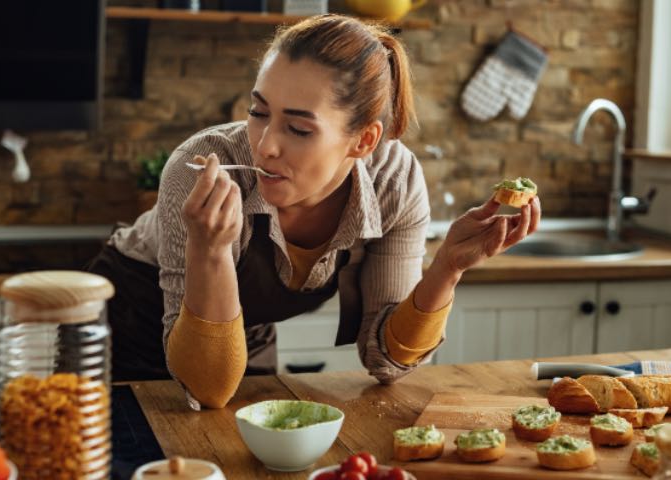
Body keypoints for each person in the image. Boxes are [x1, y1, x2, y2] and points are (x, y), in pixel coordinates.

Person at [88, 14, 541, 410]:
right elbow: (205, 388)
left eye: (299, 128)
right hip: (132, 321)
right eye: (258, 111)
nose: (264, 146)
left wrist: (445, 269)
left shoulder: (394, 183)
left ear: (363, 141)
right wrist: (209, 251)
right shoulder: (203, 166)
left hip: (242, 330)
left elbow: (386, 361)